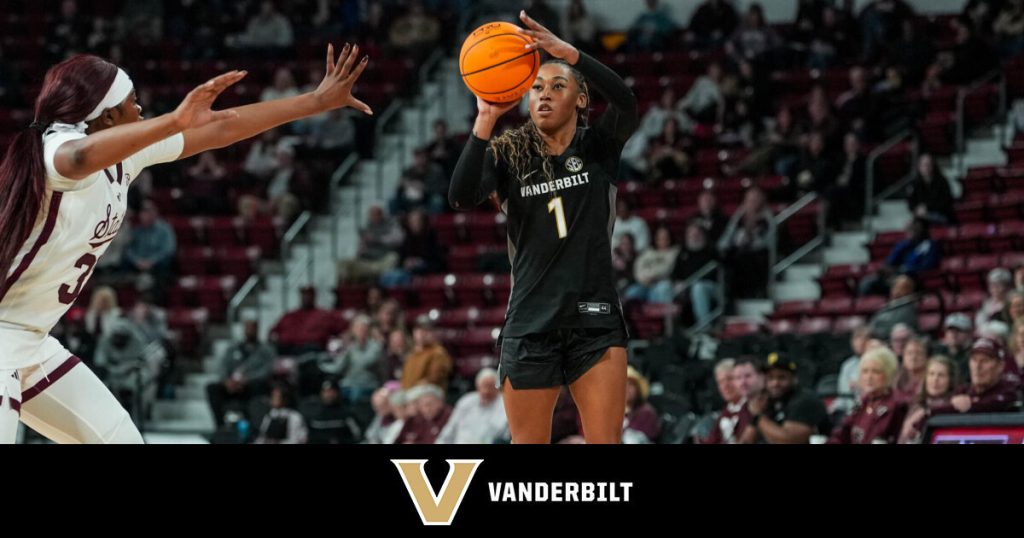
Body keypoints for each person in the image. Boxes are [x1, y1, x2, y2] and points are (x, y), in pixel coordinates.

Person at [0, 43, 372, 444]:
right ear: (107, 116)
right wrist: (174, 120)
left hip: (32, 343)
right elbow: (77, 158)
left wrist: (314, 102)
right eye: (132, 102)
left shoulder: (124, 157)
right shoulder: (56, 146)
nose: (140, 109)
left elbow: (222, 129)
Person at [449, 11, 638, 444]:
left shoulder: (599, 147)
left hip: (594, 320)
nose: (545, 95)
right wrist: (485, 119)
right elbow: (460, 197)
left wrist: (571, 55)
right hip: (530, 322)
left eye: (557, 86)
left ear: (582, 99)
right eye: (536, 88)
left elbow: (626, 102)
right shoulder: (508, 153)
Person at [739, 353, 828, 444]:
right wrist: (755, 417)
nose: (775, 383)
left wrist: (758, 416)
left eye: (781, 377)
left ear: (794, 378)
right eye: (770, 378)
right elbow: (746, 441)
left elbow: (789, 441)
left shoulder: (805, 400)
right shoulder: (767, 401)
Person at [827, 346, 908, 444]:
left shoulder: (899, 405)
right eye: (865, 371)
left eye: (876, 372)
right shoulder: (862, 402)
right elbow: (841, 435)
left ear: (888, 373)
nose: (869, 377)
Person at [930, 337, 1022, 415]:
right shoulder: (962, 391)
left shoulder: (1009, 391)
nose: (977, 366)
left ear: (1000, 366)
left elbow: (991, 406)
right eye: (974, 360)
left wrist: (969, 405)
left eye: (985, 360)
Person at [435, 368, 508, 444]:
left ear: (498, 387)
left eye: (490, 387)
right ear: (477, 387)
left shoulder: (504, 405)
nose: (486, 391)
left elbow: (505, 436)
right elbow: (449, 431)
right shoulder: (466, 402)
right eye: (484, 386)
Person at [898, 355, 958, 443]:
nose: (935, 379)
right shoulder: (916, 405)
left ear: (950, 380)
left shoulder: (952, 407)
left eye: (941, 375)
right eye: (931, 374)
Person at [700, 358, 750, 444]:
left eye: (730, 379)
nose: (725, 386)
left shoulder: (752, 408)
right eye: (720, 382)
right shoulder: (726, 411)